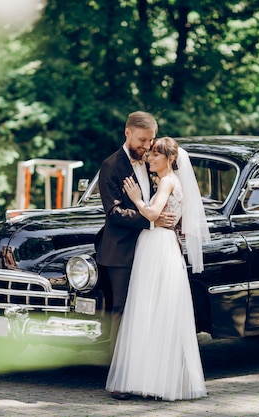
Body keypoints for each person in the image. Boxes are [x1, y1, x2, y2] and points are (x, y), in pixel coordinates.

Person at [105, 136, 210, 401]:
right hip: (161, 244)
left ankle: (148, 378)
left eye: (155, 155)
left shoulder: (166, 181)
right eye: (150, 154)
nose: (150, 158)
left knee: (149, 308)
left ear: (170, 159)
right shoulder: (173, 181)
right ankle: (157, 378)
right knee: (157, 311)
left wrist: (137, 198)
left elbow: (151, 214)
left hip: (158, 247)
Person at [94, 111, 176, 360]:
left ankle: (141, 369)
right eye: (142, 140)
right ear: (127, 133)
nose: (147, 146)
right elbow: (115, 213)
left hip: (149, 250)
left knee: (146, 310)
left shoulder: (151, 163)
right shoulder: (110, 166)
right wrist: (152, 220)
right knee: (122, 310)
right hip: (120, 252)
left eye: (151, 140)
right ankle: (118, 375)